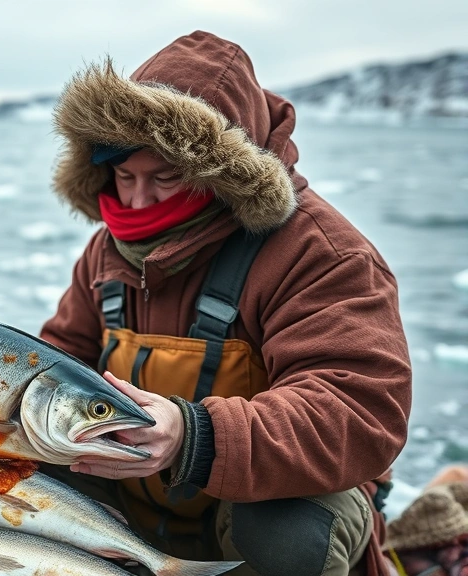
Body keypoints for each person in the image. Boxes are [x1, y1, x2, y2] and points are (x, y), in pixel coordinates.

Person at [39, 31, 412, 576]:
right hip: (133, 501)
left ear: (221, 174)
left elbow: (359, 410)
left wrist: (195, 435)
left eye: (164, 178)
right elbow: (59, 355)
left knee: (288, 532)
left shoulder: (322, 253)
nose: (137, 201)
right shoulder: (106, 251)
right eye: (123, 177)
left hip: (255, 512)